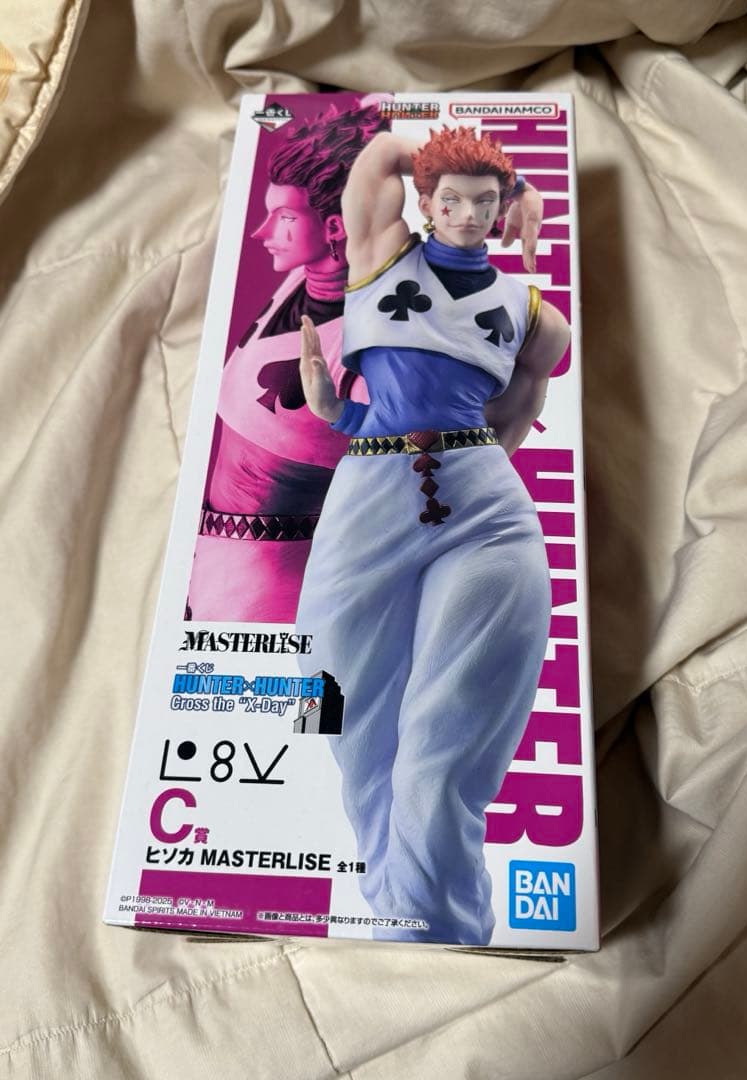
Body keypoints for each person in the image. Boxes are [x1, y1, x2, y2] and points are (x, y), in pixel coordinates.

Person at [296, 125, 571, 946]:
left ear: (500, 208)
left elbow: (506, 426)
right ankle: (394, 892)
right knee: (328, 690)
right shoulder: (381, 254)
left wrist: (445, 469)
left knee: (451, 729)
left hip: (482, 510)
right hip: (371, 492)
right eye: (451, 199)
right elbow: (380, 153)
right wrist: (343, 416)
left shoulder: (538, 319)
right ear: (426, 201)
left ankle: (432, 924)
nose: (468, 215)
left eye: (487, 202)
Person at [186, 102, 386, 623]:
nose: (262, 232)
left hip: (272, 592)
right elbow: (373, 114)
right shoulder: (300, 281)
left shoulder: (376, 344)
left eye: (285, 218)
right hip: (205, 561)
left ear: (336, 226)